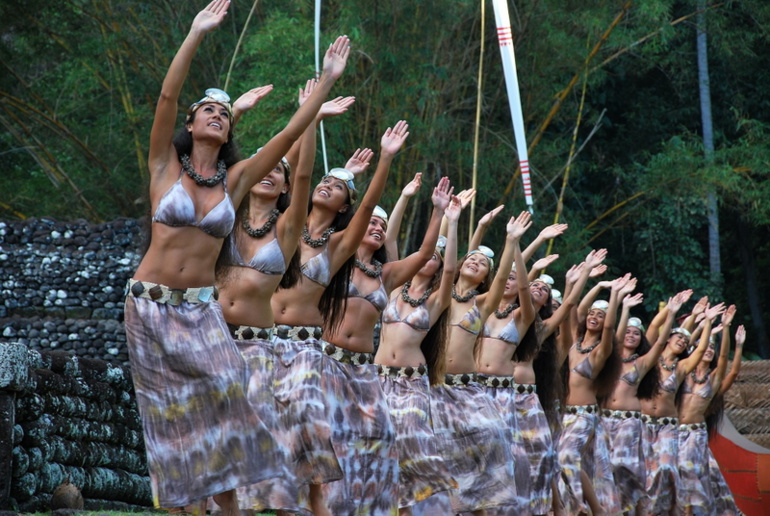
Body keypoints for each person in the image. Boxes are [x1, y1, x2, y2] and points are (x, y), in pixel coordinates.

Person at [122, 0, 350, 511]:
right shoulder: (165, 166)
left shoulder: (238, 178)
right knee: (171, 415)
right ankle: (187, 506)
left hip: (201, 308)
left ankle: (229, 507)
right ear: (191, 121)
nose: (218, 117)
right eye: (210, 110)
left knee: (229, 398)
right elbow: (166, 93)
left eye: (225, 114)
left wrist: (327, 84)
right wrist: (197, 32)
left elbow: (289, 137)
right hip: (149, 304)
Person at [214, 81, 354, 513]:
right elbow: (211, 159)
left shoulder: (289, 229)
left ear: (285, 190)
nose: (270, 171)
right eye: (263, 166)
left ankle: (296, 502)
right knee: (210, 430)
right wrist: (233, 113)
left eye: (280, 172)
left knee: (249, 433)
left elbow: (305, 173)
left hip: (259, 345)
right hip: (213, 335)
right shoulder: (225, 213)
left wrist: (310, 114)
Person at [270, 120, 410, 516]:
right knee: (256, 434)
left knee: (308, 431)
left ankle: (314, 509)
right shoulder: (285, 223)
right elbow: (294, 172)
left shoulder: (339, 248)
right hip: (261, 342)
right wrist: (311, 118)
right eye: (324, 181)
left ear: (345, 206)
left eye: (338, 188)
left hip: (305, 350)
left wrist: (385, 158)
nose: (325, 185)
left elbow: (368, 209)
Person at [321, 177, 452, 515]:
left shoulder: (387, 275)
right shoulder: (335, 258)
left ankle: (374, 508)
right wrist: (401, 192)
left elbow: (425, 253)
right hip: (329, 362)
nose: (378, 228)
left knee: (380, 438)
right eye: (372, 222)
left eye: (382, 225)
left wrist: (439, 212)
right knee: (331, 439)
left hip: (364, 370)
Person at [431, 212, 533, 515]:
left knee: (491, 440)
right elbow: (447, 265)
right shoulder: (437, 296)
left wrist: (512, 241)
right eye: (471, 258)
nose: (476, 262)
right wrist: (451, 221)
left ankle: (482, 508)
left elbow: (504, 278)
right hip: (434, 387)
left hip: (469, 391)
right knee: (443, 456)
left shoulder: (483, 303)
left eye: (483, 263)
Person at [375, 179, 462, 515]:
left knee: (413, 441)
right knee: (381, 442)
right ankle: (396, 508)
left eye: (437, 258)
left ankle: (435, 504)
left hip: (411, 381)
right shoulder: (394, 287)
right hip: (378, 377)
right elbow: (392, 238)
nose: (432, 259)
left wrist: (451, 222)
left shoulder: (437, 301)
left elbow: (453, 267)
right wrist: (403, 195)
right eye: (429, 254)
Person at [601, 289, 688, 515]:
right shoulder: (607, 358)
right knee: (602, 468)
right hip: (602, 419)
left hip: (628, 422)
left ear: (641, 339)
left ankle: (635, 507)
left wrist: (671, 314)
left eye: (636, 333)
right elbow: (613, 333)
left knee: (621, 465)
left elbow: (659, 343)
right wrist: (625, 307)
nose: (631, 335)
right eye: (627, 332)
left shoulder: (642, 363)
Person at [638, 299, 721, 515]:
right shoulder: (650, 359)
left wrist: (708, 323)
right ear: (667, 340)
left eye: (686, 341)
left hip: (668, 425)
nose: (683, 342)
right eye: (679, 338)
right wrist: (671, 310)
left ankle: (667, 510)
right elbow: (654, 329)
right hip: (643, 424)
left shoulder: (683, 367)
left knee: (666, 469)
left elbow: (701, 347)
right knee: (645, 472)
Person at [556, 276, 627, 516]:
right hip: (562, 414)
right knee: (560, 461)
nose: (594, 317)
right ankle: (578, 508)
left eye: (600, 314)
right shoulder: (571, 344)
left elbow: (609, 328)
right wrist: (590, 283)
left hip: (584, 416)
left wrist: (615, 295)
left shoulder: (600, 353)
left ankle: (587, 507)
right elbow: (571, 307)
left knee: (566, 456)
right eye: (592, 313)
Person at [678, 305, 736, 516]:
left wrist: (726, 328)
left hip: (695, 432)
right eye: (706, 347)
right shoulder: (683, 371)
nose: (709, 350)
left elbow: (723, 359)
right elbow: (684, 343)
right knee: (677, 474)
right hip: (674, 431)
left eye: (713, 348)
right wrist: (705, 325)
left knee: (688, 469)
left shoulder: (713, 378)